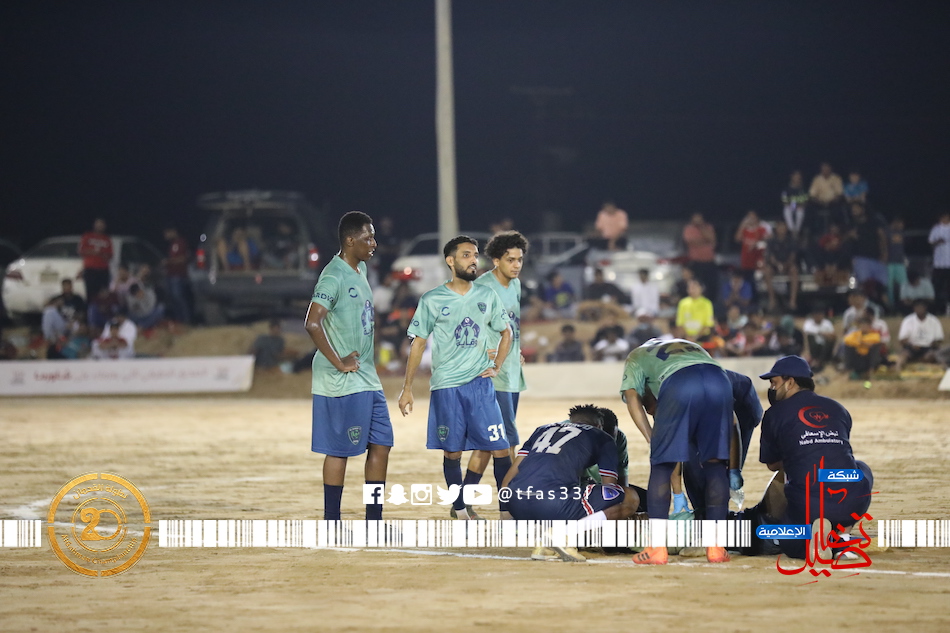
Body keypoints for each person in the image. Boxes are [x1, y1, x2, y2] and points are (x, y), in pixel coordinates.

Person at [398, 235, 513, 521]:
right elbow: (418, 343)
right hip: (447, 387)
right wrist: (407, 388)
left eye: (475, 255)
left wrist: (497, 365)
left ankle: (507, 512)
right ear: (450, 261)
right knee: (452, 453)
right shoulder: (432, 299)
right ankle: (460, 510)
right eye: (466, 255)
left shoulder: (487, 295)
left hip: (481, 385)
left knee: (501, 449)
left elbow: (506, 332)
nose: (474, 260)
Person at [304, 211, 393, 522]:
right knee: (339, 450)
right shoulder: (333, 276)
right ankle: (332, 520)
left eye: (374, 237)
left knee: (381, 444)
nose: (374, 243)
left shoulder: (361, 269)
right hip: (341, 380)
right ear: (350, 241)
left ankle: (374, 520)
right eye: (368, 238)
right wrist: (339, 362)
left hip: (367, 376)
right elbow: (312, 323)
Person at [621, 338, 734, 564]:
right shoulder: (689, 345)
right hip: (720, 381)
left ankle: (656, 548)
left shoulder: (636, 356)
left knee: (661, 466)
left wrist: (652, 438)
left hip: (679, 383)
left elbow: (633, 398)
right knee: (715, 465)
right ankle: (716, 547)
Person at [756, 355, 873, 561]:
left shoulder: (774, 414)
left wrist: (795, 453)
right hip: (852, 500)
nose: (772, 389)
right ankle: (842, 535)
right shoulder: (838, 408)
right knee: (860, 468)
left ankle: (820, 539)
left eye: (774, 383)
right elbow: (834, 449)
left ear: (790, 382)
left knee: (789, 543)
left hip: (809, 503)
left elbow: (772, 464)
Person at [501, 404, 641, 562]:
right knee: (629, 497)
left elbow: (507, 481)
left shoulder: (542, 430)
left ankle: (545, 546)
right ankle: (563, 535)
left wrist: (508, 514)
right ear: (599, 425)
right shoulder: (602, 436)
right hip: (553, 504)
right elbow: (610, 489)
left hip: (516, 504)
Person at [460, 231, 529, 518]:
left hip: (511, 372)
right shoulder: (481, 288)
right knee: (505, 443)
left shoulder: (516, 285)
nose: (517, 265)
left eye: (520, 260)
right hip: (492, 376)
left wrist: (516, 350)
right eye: (510, 260)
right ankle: (508, 509)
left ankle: (461, 503)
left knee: (488, 444)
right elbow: (465, 326)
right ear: (496, 261)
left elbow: (511, 326)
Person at [845, 203, 888, 299]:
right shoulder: (851, 224)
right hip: (861, 259)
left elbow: (882, 237)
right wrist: (849, 235)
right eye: (853, 209)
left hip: (877, 258)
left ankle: (885, 306)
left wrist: (885, 253)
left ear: (863, 209)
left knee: (882, 286)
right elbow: (843, 239)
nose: (854, 211)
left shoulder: (874, 221)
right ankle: (866, 305)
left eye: (856, 208)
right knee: (865, 287)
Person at [896, 300, 945, 371]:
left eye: (921, 307)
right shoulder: (908, 320)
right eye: (917, 307)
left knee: (934, 355)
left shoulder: (934, 320)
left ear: (925, 308)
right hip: (912, 347)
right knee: (904, 354)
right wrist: (911, 345)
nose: (919, 309)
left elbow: (939, 339)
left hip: (928, 348)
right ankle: (897, 369)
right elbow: (902, 340)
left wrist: (932, 344)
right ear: (914, 308)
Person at [762, 221, 799, 312]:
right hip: (775, 265)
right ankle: (772, 299)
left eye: (783, 227)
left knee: (794, 270)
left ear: (786, 229)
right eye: (780, 227)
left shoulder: (792, 240)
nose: (781, 230)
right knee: (767, 271)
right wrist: (777, 264)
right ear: (776, 229)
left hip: (788, 264)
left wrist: (786, 265)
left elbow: (793, 255)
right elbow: (770, 256)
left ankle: (792, 301)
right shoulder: (771, 241)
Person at [682, 213, 718, 303]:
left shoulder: (708, 227)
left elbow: (712, 239)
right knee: (696, 283)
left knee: (711, 284)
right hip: (696, 262)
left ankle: (709, 302)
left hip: (709, 262)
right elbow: (691, 242)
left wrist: (702, 228)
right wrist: (706, 241)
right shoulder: (689, 229)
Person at [78, 218, 113, 303]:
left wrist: (101, 253)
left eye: (101, 225)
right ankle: (91, 310)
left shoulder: (107, 239)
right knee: (91, 293)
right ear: (94, 225)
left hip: (103, 270)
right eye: (98, 224)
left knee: (104, 293)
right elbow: (81, 251)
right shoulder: (87, 236)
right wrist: (94, 252)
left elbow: (110, 255)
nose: (100, 226)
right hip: (90, 269)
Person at [734, 210, 771, 287]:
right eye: (749, 217)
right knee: (748, 282)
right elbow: (737, 239)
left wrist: (756, 244)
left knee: (758, 282)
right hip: (746, 261)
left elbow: (767, 241)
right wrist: (742, 225)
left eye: (753, 217)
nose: (751, 219)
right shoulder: (745, 230)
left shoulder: (761, 229)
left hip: (759, 260)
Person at [163, 226, 192, 324]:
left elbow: (184, 258)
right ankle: (179, 321)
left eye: (167, 233)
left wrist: (169, 261)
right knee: (172, 299)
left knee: (178, 297)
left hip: (178, 275)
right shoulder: (172, 245)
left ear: (173, 231)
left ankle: (186, 320)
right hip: (170, 275)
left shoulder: (181, 242)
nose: (166, 236)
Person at [843, 315, 882, 381]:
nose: (864, 327)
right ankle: (849, 372)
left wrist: (861, 342)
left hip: (868, 359)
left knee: (875, 347)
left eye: (865, 326)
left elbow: (873, 343)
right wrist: (862, 343)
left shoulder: (875, 335)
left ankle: (871, 372)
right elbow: (847, 340)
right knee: (848, 347)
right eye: (862, 325)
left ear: (869, 326)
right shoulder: (855, 334)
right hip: (858, 358)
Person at [808, 163, 844, 232]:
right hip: (819, 203)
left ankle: (837, 231)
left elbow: (840, 194)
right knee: (809, 209)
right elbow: (812, 195)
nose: (825, 171)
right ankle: (812, 231)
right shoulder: (817, 179)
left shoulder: (836, 178)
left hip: (833, 203)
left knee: (838, 209)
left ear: (830, 169)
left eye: (827, 169)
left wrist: (832, 201)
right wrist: (819, 202)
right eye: (823, 169)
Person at [803, 306, 836, 373]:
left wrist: (824, 334)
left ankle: (820, 361)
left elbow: (833, 335)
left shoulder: (827, 323)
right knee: (810, 337)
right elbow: (807, 333)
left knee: (830, 340)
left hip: (825, 346)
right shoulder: (808, 323)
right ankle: (815, 359)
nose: (818, 316)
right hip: (814, 347)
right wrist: (820, 333)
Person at [930, 212, 950, 315]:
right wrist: (938, 241)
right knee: (938, 287)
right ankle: (938, 308)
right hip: (939, 264)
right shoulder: (936, 229)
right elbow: (931, 242)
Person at [885, 217, 908, 310]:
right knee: (889, 286)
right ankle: (890, 306)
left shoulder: (902, 233)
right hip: (888, 263)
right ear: (895, 222)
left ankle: (904, 304)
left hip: (900, 262)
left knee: (904, 284)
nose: (902, 226)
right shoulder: (887, 232)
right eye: (900, 223)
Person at [781, 171, 809, 238]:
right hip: (790, 207)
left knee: (800, 211)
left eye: (799, 178)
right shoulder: (786, 189)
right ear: (792, 177)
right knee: (786, 210)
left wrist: (798, 205)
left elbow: (806, 201)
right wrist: (793, 206)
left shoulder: (803, 189)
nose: (797, 179)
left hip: (800, 207)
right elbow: (784, 202)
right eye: (796, 177)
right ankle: (792, 230)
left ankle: (797, 231)